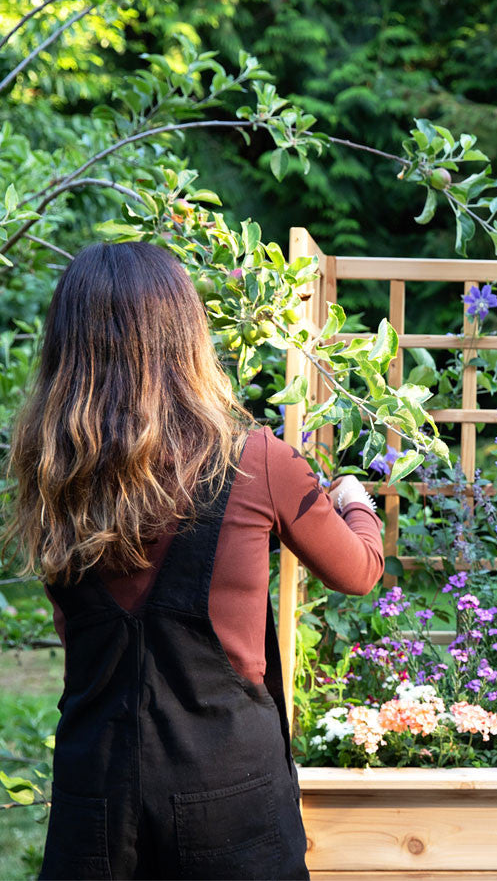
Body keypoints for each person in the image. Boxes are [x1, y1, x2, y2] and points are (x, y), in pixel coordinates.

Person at [5, 242, 385, 880]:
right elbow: (359, 571)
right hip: (230, 802)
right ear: (184, 336)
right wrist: (353, 500)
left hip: (93, 800)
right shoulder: (257, 461)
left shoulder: (51, 474)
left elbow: (79, 631)